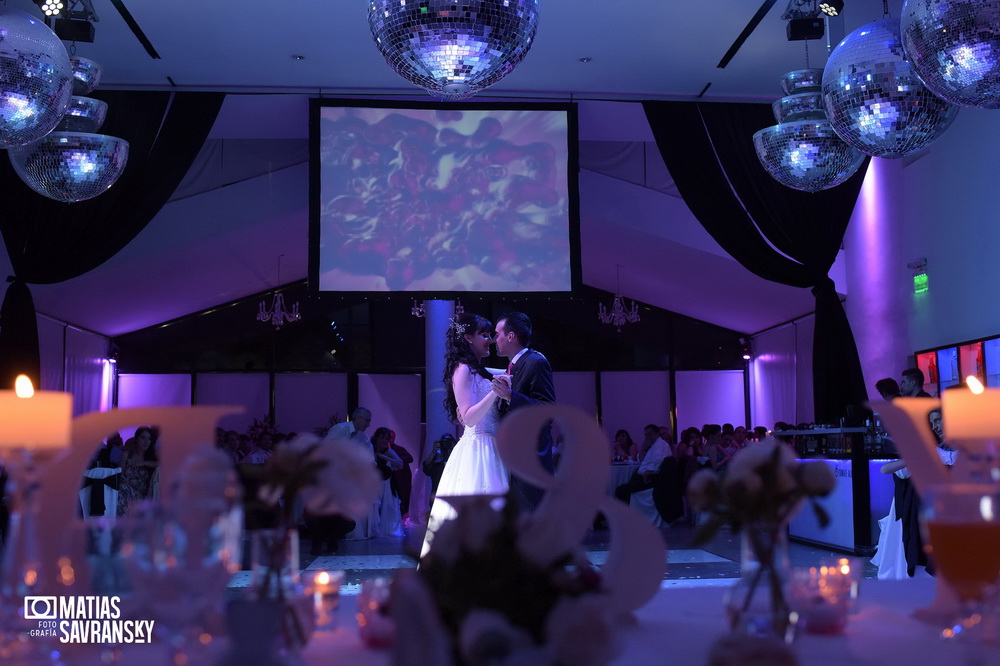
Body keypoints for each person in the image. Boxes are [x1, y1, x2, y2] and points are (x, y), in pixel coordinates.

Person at [421, 313, 509, 557]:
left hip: (493, 447)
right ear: (468, 338)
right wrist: (495, 391)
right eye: (484, 335)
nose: (490, 340)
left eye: (491, 335)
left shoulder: (478, 370)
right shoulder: (463, 370)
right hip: (477, 450)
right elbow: (469, 417)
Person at [491, 311, 556, 511]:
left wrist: (511, 396)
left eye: (497, 334)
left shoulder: (536, 362)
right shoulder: (511, 368)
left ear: (510, 336)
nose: (494, 340)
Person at [614, 424, 671, 505]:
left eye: (650, 434)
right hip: (645, 477)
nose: (647, 437)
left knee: (620, 490)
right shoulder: (654, 446)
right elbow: (642, 460)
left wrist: (647, 473)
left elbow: (658, 462)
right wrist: (644, 447)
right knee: (624, 487)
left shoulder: (661, 445)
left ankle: (629, 512)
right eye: (645, 435)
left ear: (657, 433)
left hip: (650, 479)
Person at [116, 427, 158, 516]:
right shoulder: (127, 455)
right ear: (136, 439)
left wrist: (145, 463)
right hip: (126, 491)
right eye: (143, 438)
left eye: (149, 439)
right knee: (121, 487)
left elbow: (162, 465)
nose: (146, 441)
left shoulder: (152, 456)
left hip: (144, 494)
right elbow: (120, 475)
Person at [387, 430, 414, 524]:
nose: (390, 440)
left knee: (402, 497)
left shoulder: (398, 449)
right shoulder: (380, 449)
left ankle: (402, 517)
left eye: (392, 438)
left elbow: (410, 458)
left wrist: (396, 460)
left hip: (401, 478)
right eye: (388, 438)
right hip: (389, 478)